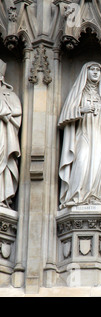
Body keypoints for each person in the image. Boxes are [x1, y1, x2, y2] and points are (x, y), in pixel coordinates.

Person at [58, 62, 101, 209]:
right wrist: (81, 110)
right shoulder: (79, 93)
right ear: (86, 72)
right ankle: (76, 196)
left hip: (99, 136)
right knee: (82, 163)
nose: (96, 73)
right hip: (83, 134)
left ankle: (93, 196)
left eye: (98, 70)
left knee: (97, 166)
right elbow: (65, 115)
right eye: (93, 70)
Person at [0, 60, 21, 209]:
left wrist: (5, 112)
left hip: (3, 133)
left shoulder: (9, 94)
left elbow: (17, 111)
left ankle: (2, 197)